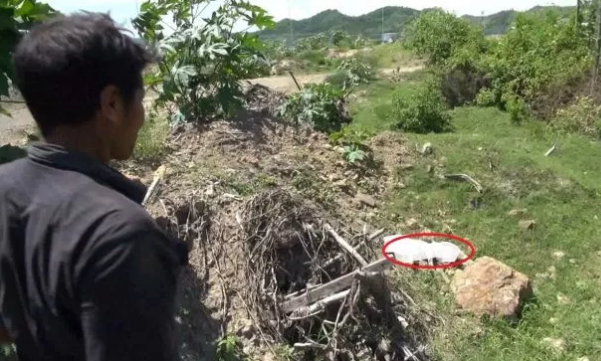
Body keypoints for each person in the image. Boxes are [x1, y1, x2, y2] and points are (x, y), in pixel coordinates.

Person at [0, 12, 188, 361]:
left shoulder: (5, 187)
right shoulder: (120, 233)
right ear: (112, 104)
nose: (143, 114)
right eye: (141, 99)